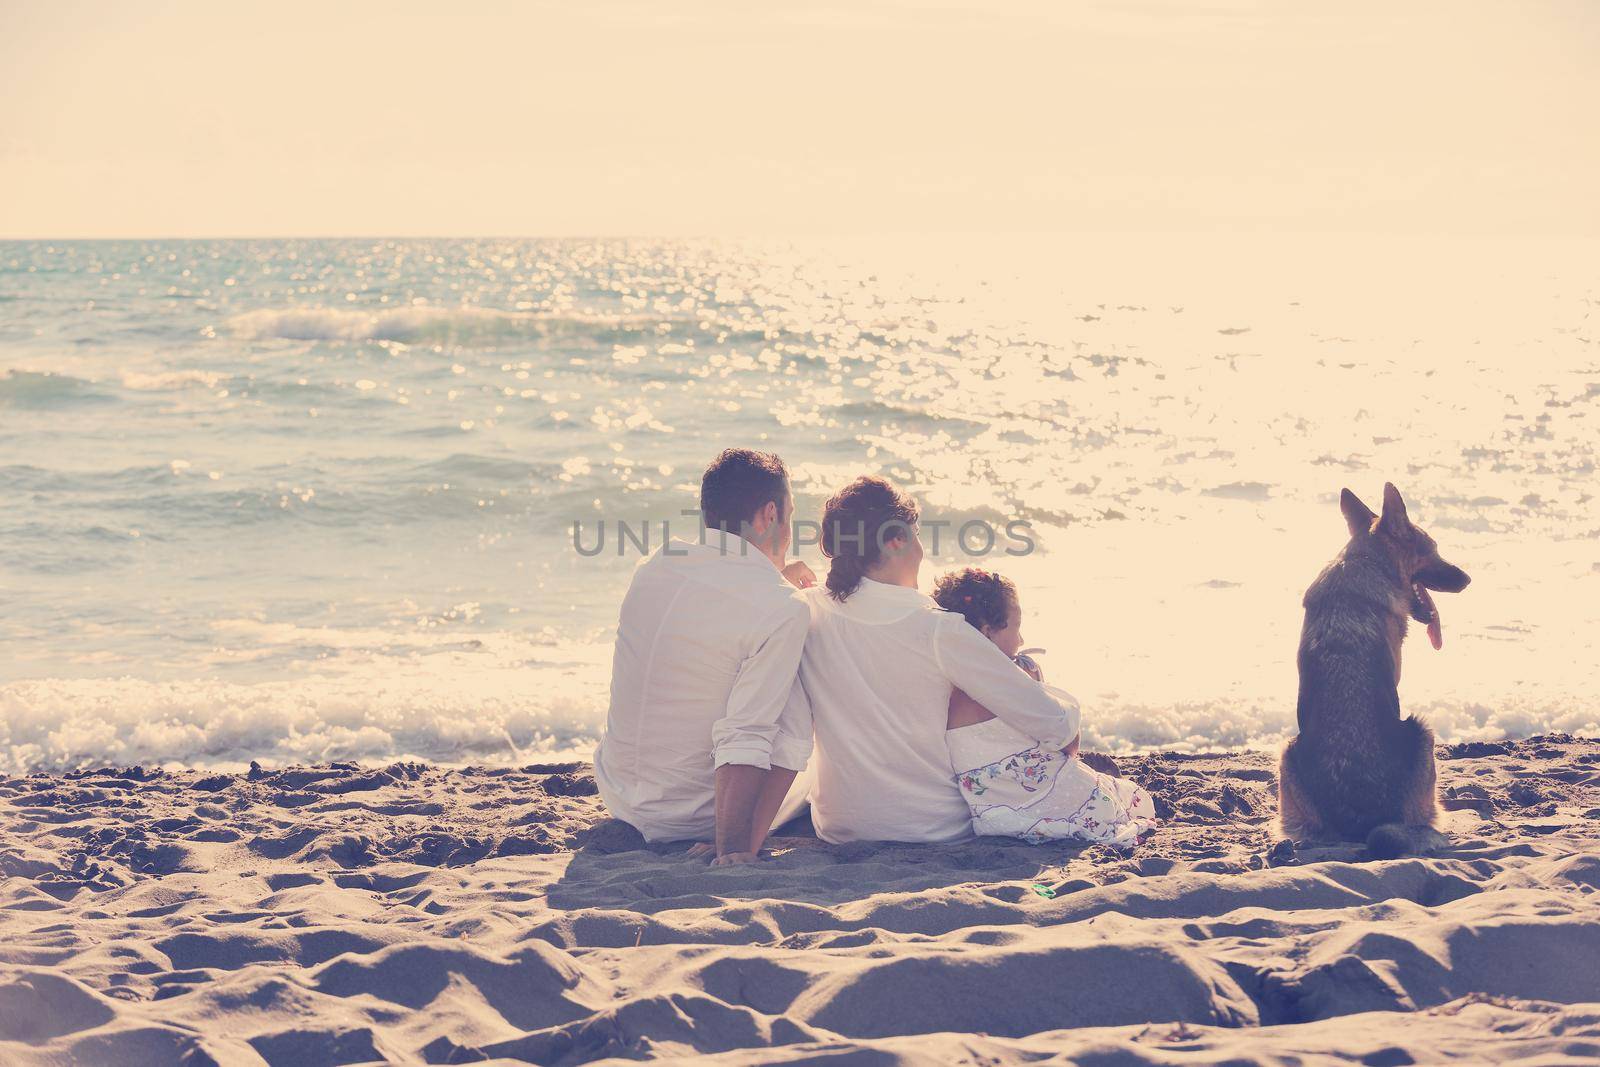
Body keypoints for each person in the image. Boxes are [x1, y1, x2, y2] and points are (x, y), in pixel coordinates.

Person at [786, 476, 1082, 843]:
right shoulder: (939, 630)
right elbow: (1056, 726)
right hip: (931, 827)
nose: (921, 547)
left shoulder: (806, 608)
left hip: (838, 828)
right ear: (897, 539)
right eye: (917, 534)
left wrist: (782, 578)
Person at [593, 448, 816, 865]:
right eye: (790, 516)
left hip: (622, 798)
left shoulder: (655, 565)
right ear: (771, 515)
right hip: (700, 816)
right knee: (800, 682)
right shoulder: (782, 606)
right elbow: (747, 731)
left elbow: (721, 611)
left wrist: (776, 582)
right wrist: (733, 848)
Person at [933, 567, 1157, 846]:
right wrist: (1037, 684)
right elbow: (1068, 743)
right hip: (1045, 803)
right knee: (1131, 799)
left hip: (994, 815)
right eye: (1016, 627)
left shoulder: (942, 683)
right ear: (988, 632)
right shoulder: (1005, 684)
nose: (1022, 641)